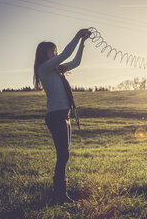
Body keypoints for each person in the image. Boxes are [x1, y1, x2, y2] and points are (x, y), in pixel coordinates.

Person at [33, 28, 91, 204]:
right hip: (56, 116)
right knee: (63, 155)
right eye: (53, 51)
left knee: (64, 155)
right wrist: (76, 37)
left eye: (56, 51)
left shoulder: (56, 70)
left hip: (64, 115)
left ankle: (59, 194)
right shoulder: (44, 68)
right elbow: (66, 53)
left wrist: (82, 43)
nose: (56, 54)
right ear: (45, 53)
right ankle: (59, 195)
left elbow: (76, 62)